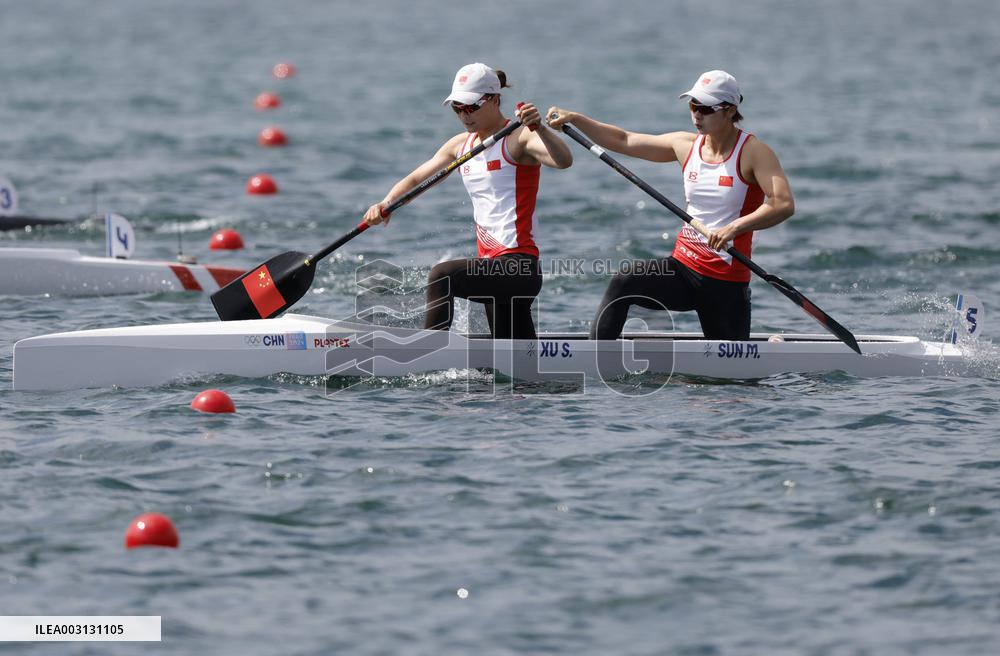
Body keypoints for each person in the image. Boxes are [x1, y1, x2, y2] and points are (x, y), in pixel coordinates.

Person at [547, 70, 794, 340]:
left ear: (730, 110)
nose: (697, 114)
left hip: (725, 279)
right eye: (692, 105)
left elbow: (782, 203)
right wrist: (576, 119)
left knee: (731, 378)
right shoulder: (685, 145)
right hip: (682, 269)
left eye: (705, 108)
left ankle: (766, 350)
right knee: (625, 280)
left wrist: (734, 228)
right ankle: (596, 359)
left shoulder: (753, 152)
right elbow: (623, 140)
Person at [363, 62, 573, 339]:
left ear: (495, 99)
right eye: (457, 108)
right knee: (516, 359)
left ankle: (426, 353)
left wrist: (541, 129)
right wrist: (385, 204)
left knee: (443, 275)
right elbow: (416, 180)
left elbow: (563, 161)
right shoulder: (460, 146)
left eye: (471, 107)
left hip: (518, 266)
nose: (464, 115)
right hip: (491, 268)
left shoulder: (519, 138)